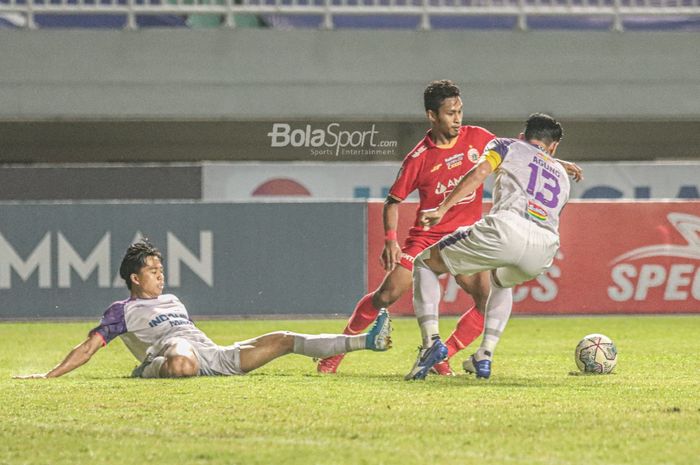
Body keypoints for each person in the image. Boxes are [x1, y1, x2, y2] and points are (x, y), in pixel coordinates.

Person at [318, 80, 582, 376]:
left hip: (470, 233)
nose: (457, 119)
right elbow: (392, 201)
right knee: (387, 295)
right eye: (450, 113)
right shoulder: (418, 158)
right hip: (428, 236)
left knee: (486, 298)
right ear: (432, 116)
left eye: (460, 111)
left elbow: (521, 155)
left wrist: (557, 161)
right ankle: (335, 353)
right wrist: (391, 240)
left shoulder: (478, 137)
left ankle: (444, 355)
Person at [13, 241, 392, 379]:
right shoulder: (122, 310)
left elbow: (192, 337)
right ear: (133, 278)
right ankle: (148, 370)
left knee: (285, 339)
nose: (161, 277)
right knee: (181, 359)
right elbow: (89, 346)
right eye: (153, 271)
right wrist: (50, 375)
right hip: (172, 353)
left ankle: (364, 343)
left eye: (162, 270)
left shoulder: (174, 301)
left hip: (207, 352)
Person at [410, 113, 571, 379]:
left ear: (523, 134)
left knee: (424, 263)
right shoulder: (563, 175)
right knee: (500, 282)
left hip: (508, 227)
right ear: (553, 146)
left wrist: (443, 208)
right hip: (545, 247)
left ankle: (431, 343)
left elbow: (480, 172)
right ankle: (484, 355)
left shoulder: (506, 145)